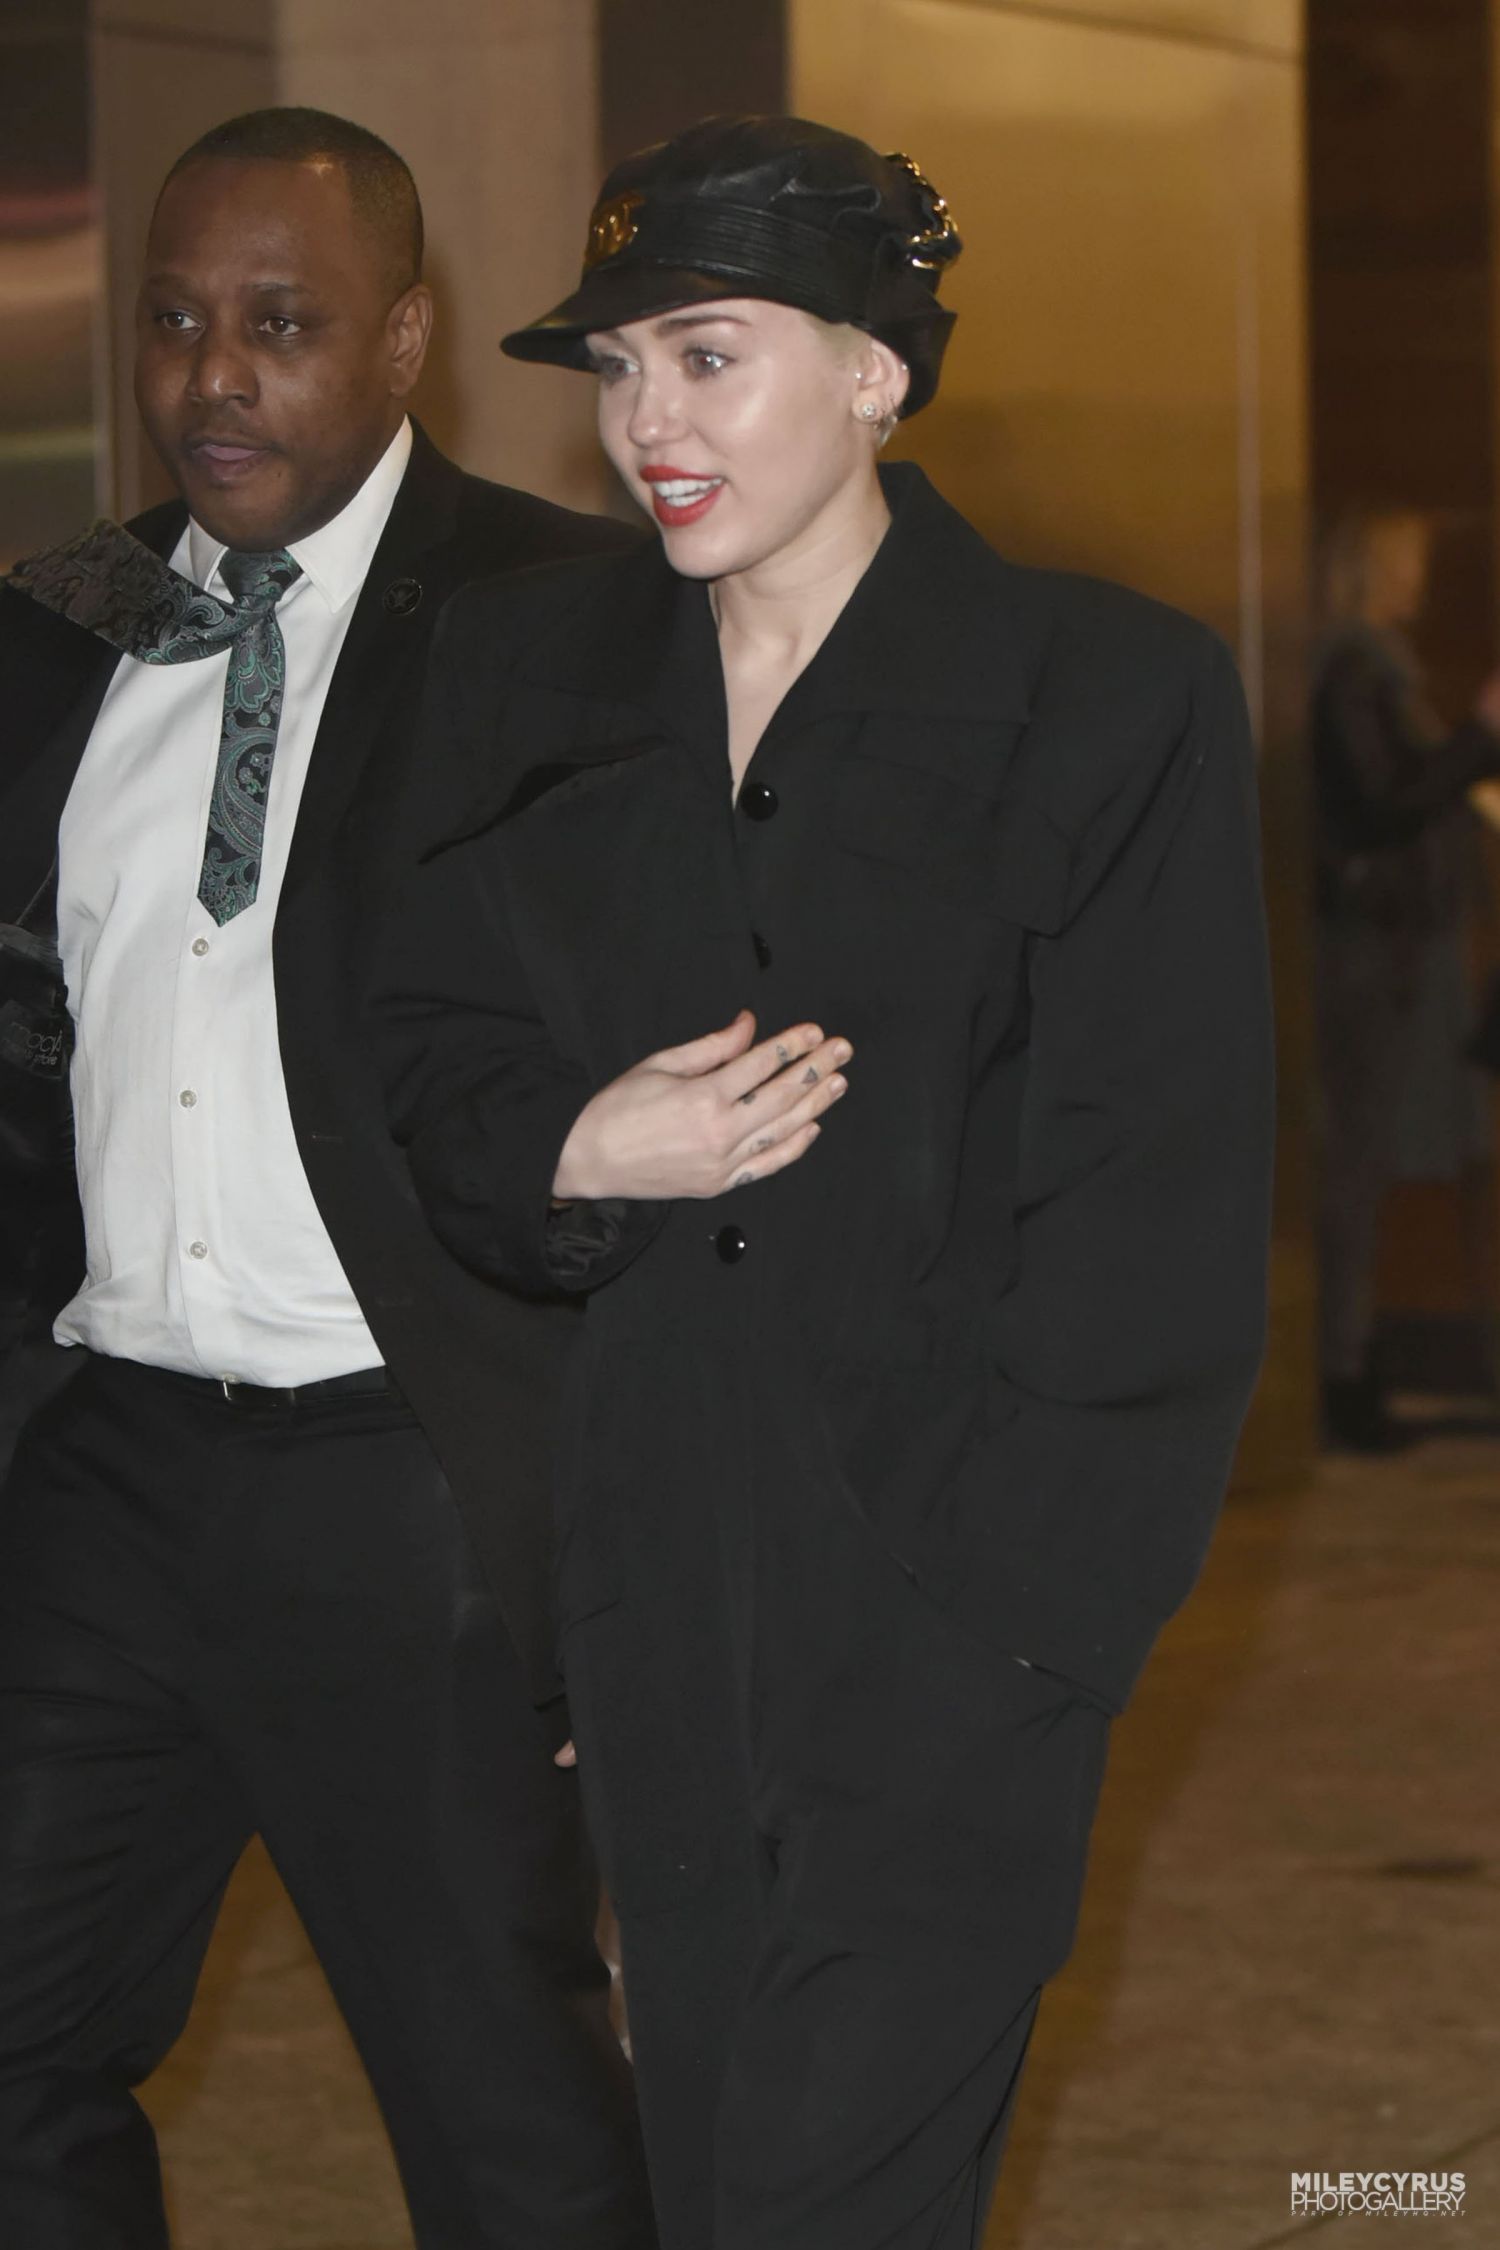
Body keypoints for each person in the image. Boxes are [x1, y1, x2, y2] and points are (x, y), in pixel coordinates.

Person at [374, 116, 1275, 2250]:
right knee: (710, 2181)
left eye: (708, 356)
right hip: (647, 1601)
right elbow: (422, 1061)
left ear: (877, 371)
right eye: (617, 369)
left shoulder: (1106, 695)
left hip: (961, 1614)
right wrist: (578, 1149)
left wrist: (1023, 1627)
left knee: (821, 2196)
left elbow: (1156, 1203)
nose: (646, 425)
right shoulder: (520, 677)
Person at [0, 107, 655, 2249]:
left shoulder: (567, 618)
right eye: (174, 322)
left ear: (403, 338)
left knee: (507, 2127)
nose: (214, 377)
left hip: (414, 1479)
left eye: (280, 324)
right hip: (103, 1467)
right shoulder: (62, 616)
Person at [1313, 509, 1500, 1450]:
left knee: (1368, 1160)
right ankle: (1341, 1373)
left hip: (1386, 946)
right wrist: (1480, 735)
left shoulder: (1377, 665)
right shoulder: (1356, 668)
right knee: (1353, 1162)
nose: (1418, 577)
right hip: (1367, 949)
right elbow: (1387, 799)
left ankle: (1349, 1364)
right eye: (1407, 560)